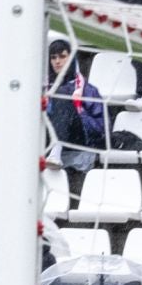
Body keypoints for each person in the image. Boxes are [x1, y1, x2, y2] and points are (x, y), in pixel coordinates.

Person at [46, 40, 105, 194]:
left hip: (80, 136)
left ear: (71, 58)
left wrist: (80, 113)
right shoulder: (44, 87)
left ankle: (55, 151)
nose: (57, 61)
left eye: (62, 56)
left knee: (63, 96)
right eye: (53, 57)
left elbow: (102, 127)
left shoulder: (88, 90)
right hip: (49, 133)